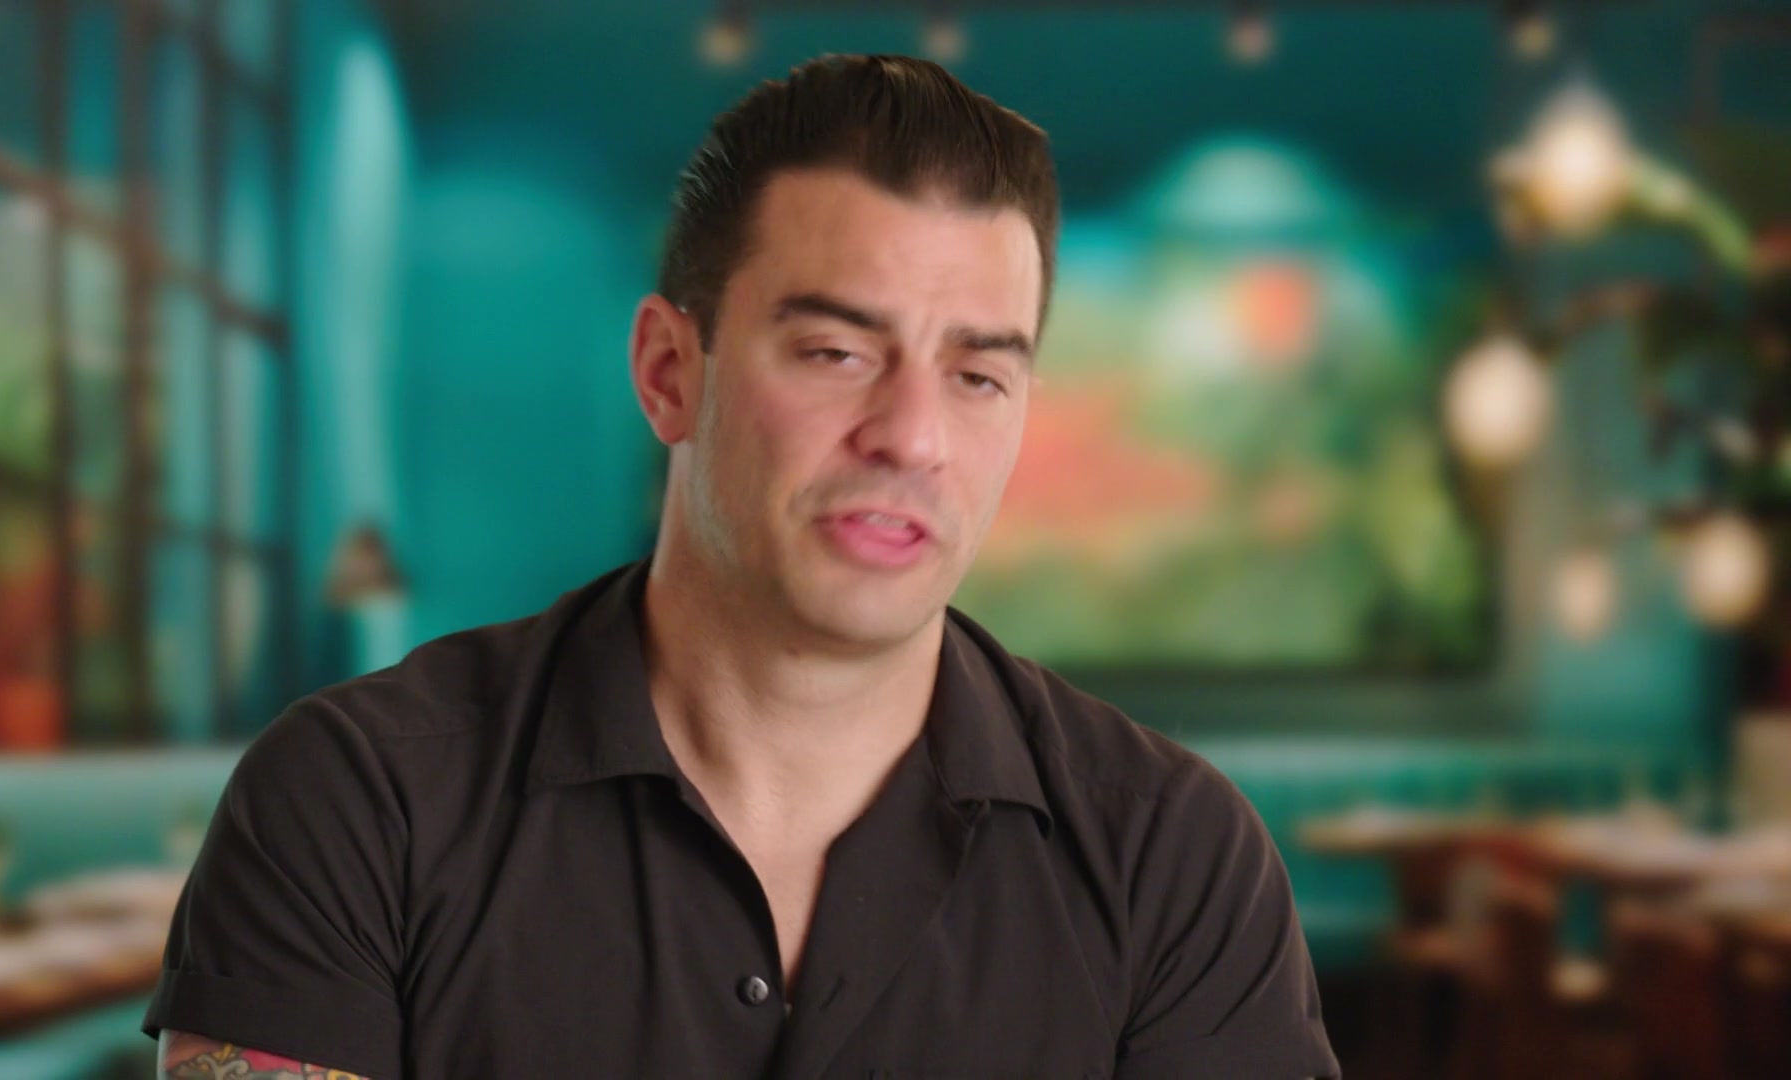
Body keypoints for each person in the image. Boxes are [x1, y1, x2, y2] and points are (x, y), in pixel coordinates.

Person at [145, 54, 1339, 1080]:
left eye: (978, 376)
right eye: (835, 352)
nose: (913, 437)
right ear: (669, 373)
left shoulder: (1174, 860)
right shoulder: (355, 805)